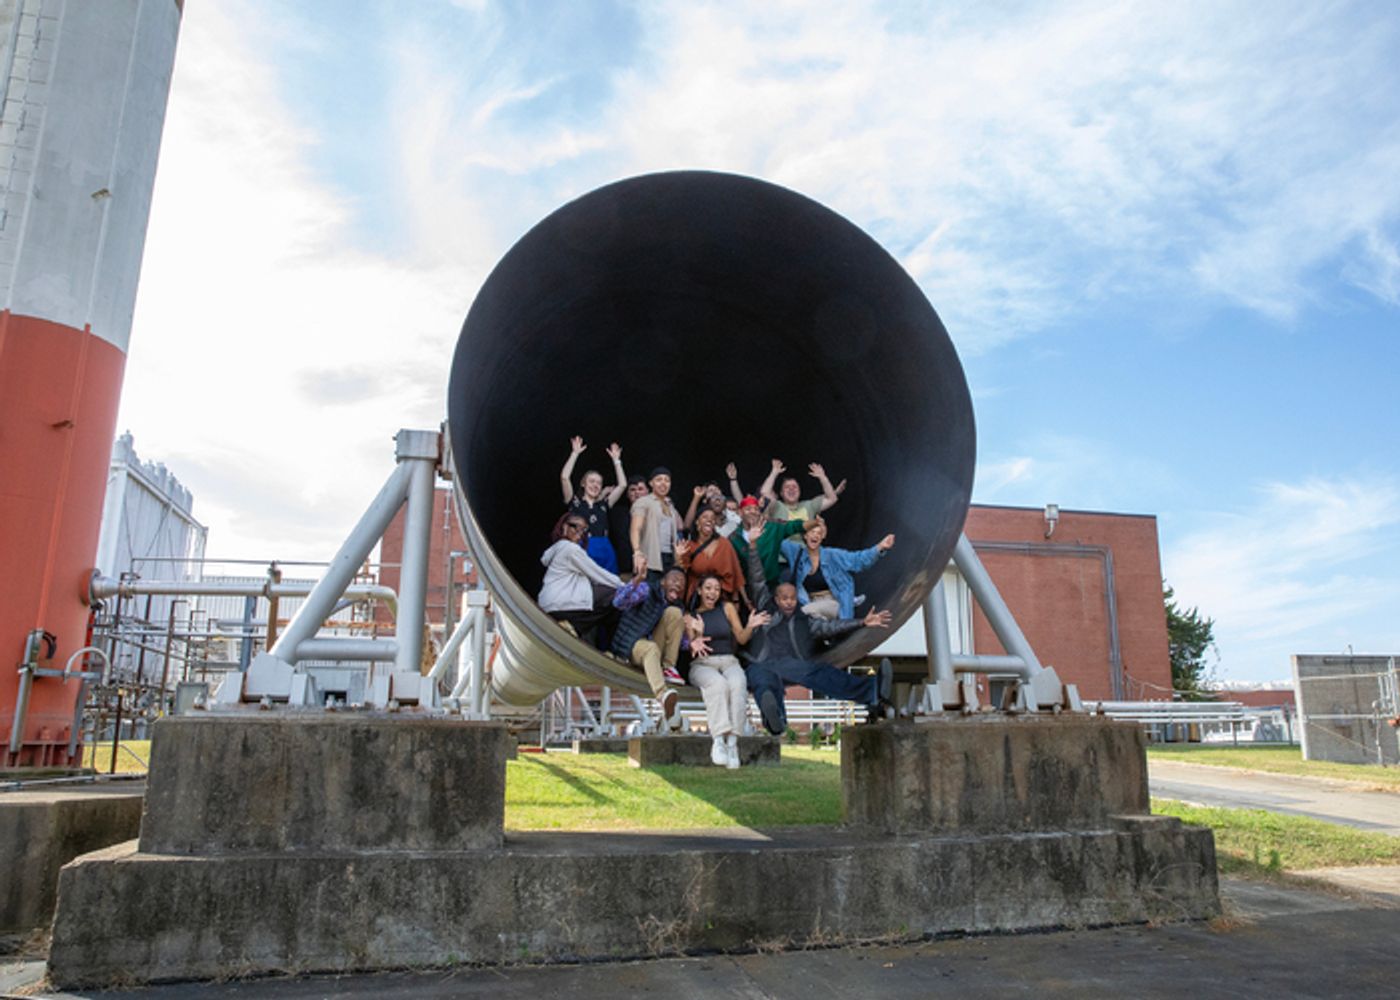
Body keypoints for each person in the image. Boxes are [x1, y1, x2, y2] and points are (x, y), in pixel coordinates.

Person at [740, 541, 895, 733]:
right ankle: (775, 719)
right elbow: (757, 578)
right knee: (765, 682)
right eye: (784, 598)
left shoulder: (802, 620)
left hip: (787, 664)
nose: (789, 602)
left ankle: (872, 689)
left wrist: (862, 622)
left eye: (793, 598)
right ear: (776, 598)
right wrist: (753, 547)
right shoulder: (764, 606)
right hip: (758, 662)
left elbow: (828, 627)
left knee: (821, 673)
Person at [685, 574, 769, 768]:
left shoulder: (727, 608)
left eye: (716, 589)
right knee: (718, 685)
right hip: (702, 664)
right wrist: (697, 633)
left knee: (738, 683)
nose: (712, 593)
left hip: (729, 661)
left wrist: (750, 625)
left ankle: (732, 744)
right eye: (708, 588)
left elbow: (741, 638)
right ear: (699, 590)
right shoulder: (690, 616)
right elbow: (694, 647)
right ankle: (718, 741)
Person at [610, 568, 688, 730]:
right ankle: (662, 695)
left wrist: (693, 641)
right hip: (630, 646)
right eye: (674, 580)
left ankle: (668, 668)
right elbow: (618, 602)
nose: (679, 584)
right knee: (651, 648)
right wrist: (636, 581)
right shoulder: (647, 589)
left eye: (682, 583)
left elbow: (677, 639)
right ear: (663, 582)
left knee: (674, 613)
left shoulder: (674, 606)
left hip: (652, 651)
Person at [781, 517, 895, 619]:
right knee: (804, 615)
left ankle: (842, 614)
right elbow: (776, 536)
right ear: (805, 536)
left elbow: (858, 560)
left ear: (822, 537)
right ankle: (827, 634)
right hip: (810, 602)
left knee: (804, 613)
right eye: (812, 532)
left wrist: (880, 547)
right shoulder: (796, 552)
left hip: (834, 603)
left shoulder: (833, 555)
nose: (815, 535)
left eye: (819, 533)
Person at [538, 514, 623, 646]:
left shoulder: (557, 549)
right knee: (616, 597)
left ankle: (578, 633)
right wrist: (625, 586)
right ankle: (616, 649)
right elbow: (597, 573)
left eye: (584, 529)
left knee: (602, 601)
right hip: (564, 604)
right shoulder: (570, 549)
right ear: (564, 526)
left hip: (549, 605)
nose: (580, 532)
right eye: (575, 527)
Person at [559, 437, 627, 573]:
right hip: (581, 547)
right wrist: (575, 454)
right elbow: (565, 477)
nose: (595, 485)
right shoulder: (574, 501)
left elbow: (622, 485)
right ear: (583, 484)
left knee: (608, 587)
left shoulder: (604, 504)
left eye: (598, 483)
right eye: (591, 481)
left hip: (605, 548)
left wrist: (616, 461)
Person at [727, 495, 805, 592]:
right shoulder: (734, 538)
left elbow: (795, 526)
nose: (752, 512)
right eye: (748, 509)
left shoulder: (771, 527)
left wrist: (816, 523)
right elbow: (734, 570)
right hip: (748, 588)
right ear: (740, 512)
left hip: (772, 585)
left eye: (756, 509)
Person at [677, 508, 747, 605]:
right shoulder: (689, 546)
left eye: (713, 518)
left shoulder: (724, 544)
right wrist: (678, 556)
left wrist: (741, 600)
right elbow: (682, 571)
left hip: (721, 597)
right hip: (696, 598)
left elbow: (736, 573)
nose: (709, 520)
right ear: (697, 522)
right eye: (705, 517)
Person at [630, 466, 684, 584]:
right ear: (651, 483)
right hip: (651, 558)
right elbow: (636, 528)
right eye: (659, 479)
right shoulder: (644, 502)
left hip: (669, 557)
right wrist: (637, 552)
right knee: (649, 595)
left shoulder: (670, 505)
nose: (663, 483)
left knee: (666, 595)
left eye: (667, 480)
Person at [759, 459, 840, 523]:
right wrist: (774, 473)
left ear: (800, 492)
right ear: (781, 493)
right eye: (787, 487)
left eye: (794, 487)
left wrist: (823, 477)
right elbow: (764, 493)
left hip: (803, 544)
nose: (791, 489)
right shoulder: (777, 506)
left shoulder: (809, 506)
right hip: (781, 543)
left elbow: (832, 499)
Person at [610, 474, 648, 577]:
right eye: (632, 490)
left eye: (640, 489)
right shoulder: (617, 513)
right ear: (627, 494)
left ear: (647, 492)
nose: (637, 493)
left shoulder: (655, 512)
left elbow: (681, 527)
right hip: (625, 570)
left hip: (650, 570)